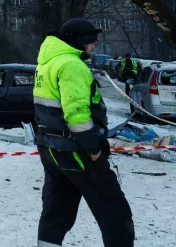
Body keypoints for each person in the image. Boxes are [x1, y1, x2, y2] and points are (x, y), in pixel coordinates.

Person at [33, 18, 134, 247]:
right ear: (81, 41)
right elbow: (76, 114)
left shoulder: (47, 63)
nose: (95, 45)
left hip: (51, 148)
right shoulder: (71, 65)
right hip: (76, 149)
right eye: (91, 41)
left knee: (56, 209)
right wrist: (94, 148)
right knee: (114, 210)